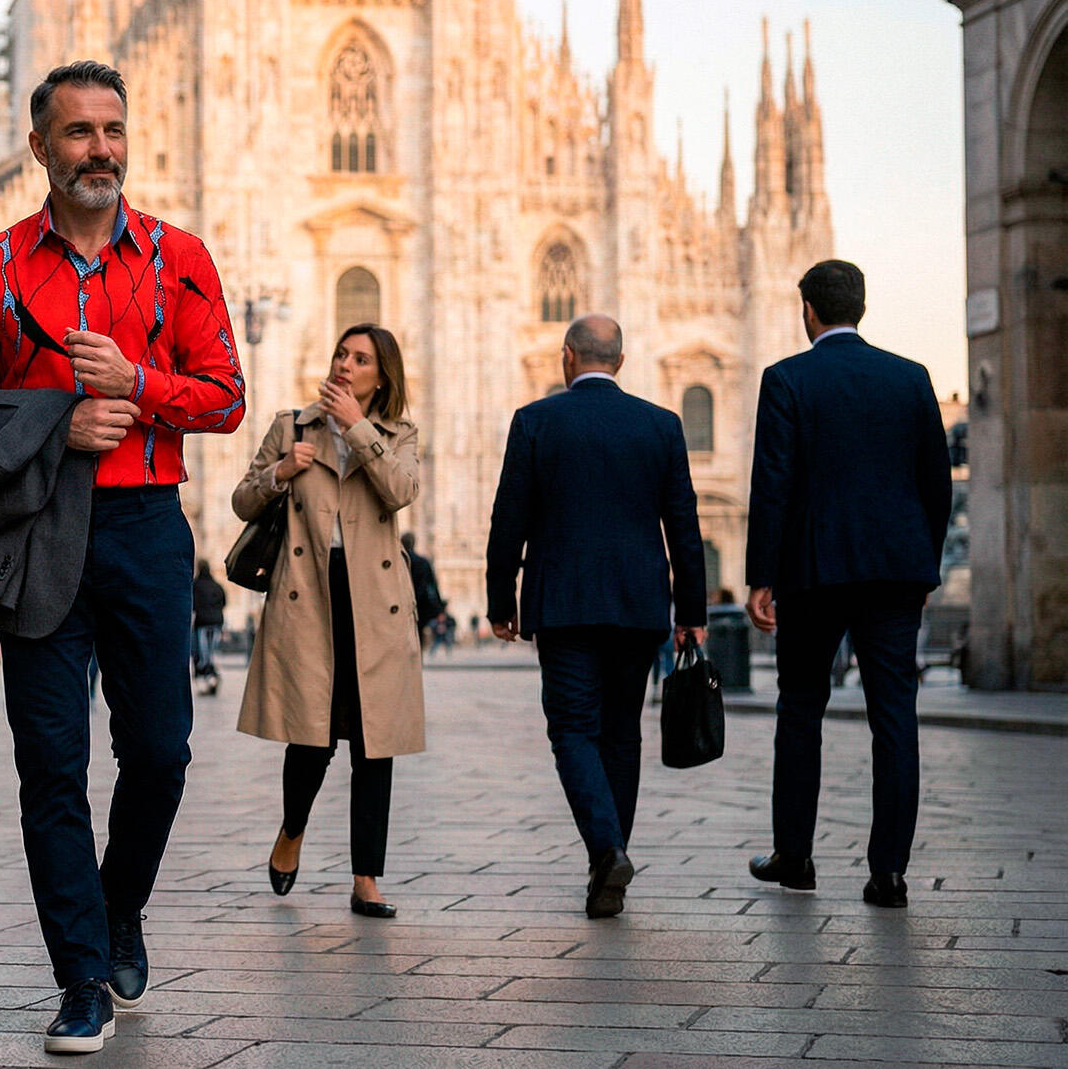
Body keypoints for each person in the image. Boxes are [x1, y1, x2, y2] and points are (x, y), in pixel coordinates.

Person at [0, 60, 246, 1053]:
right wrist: (55, 421)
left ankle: (119, 909)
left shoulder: (176, 257)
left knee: (160, 748)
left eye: (110, 129)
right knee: (49, 761)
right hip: (40, 529)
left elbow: (225, 393)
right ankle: (78, 976)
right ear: (40, 146)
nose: (98, 148)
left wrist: (140, 382)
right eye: (76, 132)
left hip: (148, 522)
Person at [743, 260, 952, 910]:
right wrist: (925, 567)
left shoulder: (787, 379)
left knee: (801, 709)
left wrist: (762, 578)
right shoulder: (910, 378)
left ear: (808, 309)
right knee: (895, 718)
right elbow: (936, 486)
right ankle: (888, 872)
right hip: (894, 575)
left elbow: (772, 486)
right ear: (860, 307)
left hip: (812, 574)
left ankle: (796, 857)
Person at [485, 315, 707, 919]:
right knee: (621, 732)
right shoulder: (660, 425)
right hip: (638, 605)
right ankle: (611, 859)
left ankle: (607, 850)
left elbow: (509, 521)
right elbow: (683, 527)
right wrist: (692, 611)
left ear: (566, 357)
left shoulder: (535, 421)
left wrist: (499, 602)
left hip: (562, 603)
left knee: (572, 730)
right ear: (622, 360)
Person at [236, 324, 422, 922]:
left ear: (380, 376)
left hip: (375, 601)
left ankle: (366, 877)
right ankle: (292, 831)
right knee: (311, 737)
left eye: (360, 359)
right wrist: (282, 470)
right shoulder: (293, 426)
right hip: (310, 594)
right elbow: (243, 500)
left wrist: (357, 430)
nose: (345, 365)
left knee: (375, 744)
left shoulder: (397, 434)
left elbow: (400, 491)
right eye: (341, 353)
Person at [400, 532, 445, 654]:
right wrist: (439, 609)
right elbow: (432, 586)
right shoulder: (423, 562)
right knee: (417, 639)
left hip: (400, 606)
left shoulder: (397, 561)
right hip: (419, 607)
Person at [190, 561, 226, 695]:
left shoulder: (195, 585)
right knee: (211, 652)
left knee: (201, 653)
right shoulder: (217, 586)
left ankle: (207, 677)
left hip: (202, 622)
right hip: (216, 622)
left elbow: (192, 604)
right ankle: (212, 678)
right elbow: (224, 602)